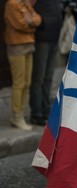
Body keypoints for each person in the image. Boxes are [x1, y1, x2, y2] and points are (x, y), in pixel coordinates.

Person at [4, 0, 41, 130]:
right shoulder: (12, 4)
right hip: (16, 46)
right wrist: (31, 23)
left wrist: (30, 21)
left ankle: (20, 114)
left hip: (29, 44)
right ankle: (17, 116)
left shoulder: (25, 3)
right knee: (19, 83)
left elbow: (38, 19)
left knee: (27, 82)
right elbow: (19, 24)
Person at [29, 0, 62, 126]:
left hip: (54, 39)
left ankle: (46, 110)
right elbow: (28, 9)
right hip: (41, 40)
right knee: (39, 78)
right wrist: (42, 23)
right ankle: (36, 113)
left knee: (48, 78)